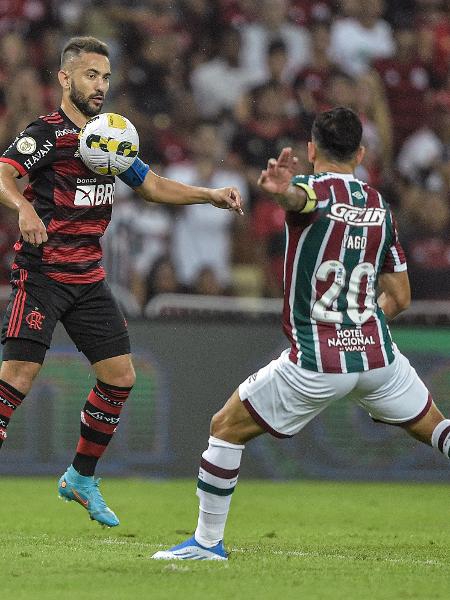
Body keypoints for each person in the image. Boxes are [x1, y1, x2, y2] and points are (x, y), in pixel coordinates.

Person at [152, 107, 450, 561]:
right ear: (362, 152)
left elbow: (301, 201)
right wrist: (360, 325)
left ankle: (207, 544)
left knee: (225, 427)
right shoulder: (378, 205)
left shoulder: (312, 190)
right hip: (378, 359)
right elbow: (401, 296)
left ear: (311, 150)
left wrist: (281, 192)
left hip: (317, 359)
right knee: (439, 430)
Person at [0, 36, 243, 528]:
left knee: (120, 376)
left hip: (88, 278)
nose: (100, 86)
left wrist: (209, 195)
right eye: (91, 75)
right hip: (43, 274)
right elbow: (2, 174)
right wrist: (24, 206)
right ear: (65, 79)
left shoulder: (108, 135)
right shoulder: (46, 133)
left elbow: (151, 185)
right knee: (18, 378)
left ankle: (81, 477)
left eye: (106, 77)